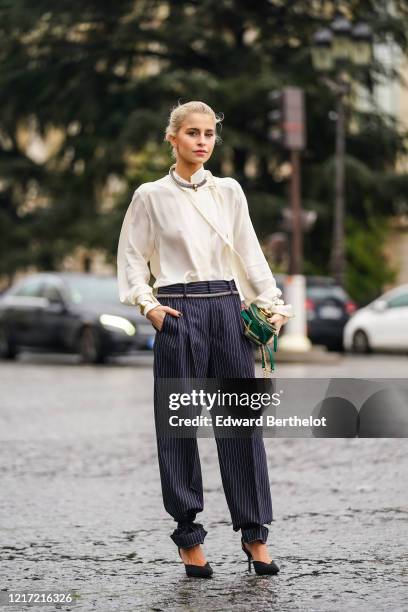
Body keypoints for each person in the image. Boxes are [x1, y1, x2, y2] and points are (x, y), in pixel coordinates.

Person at [117, 100, 294, 578]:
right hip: (177, 310)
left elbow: (249, 251)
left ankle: (255, 535)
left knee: (241, 424)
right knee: (178, 426)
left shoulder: (230, 191)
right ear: (172, 138)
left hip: (227, 308)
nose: (202, 141)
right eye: (192, 133)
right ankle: (188, 537)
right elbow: (132, 259)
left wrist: (272, 302)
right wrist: (148, 305)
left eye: (209, 134)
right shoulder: (149, 195)